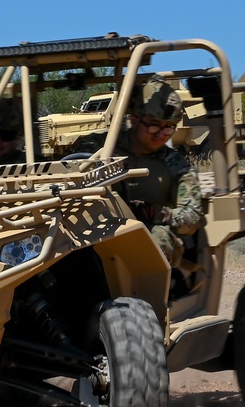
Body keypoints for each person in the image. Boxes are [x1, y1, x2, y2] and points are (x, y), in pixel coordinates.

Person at [79, 79, 204, 267]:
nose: (162, 133)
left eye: (169, 126)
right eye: (154, 124)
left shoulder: (176, 166)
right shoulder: (98, 148)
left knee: (158, 237)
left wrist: (156, 213)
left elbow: (192, 216)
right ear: (134, 119)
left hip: (146, 236)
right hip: (91, 230)